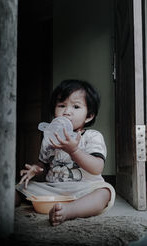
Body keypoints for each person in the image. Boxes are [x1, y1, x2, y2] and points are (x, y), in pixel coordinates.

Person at [16, 79, 115, 226]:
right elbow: (44, 164)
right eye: (61, 106)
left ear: (89, 116)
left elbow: (97, 168)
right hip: (53, 188)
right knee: (20, 187)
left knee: (105, 192)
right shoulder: (50, 137)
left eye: (76, 106)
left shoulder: (92, 137)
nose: (67, 112)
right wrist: (36, 169)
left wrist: (74, 150)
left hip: (83, 189)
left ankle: (68, 211)